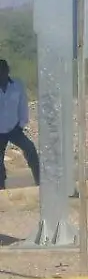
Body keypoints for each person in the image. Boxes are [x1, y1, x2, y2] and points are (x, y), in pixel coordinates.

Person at [0, 59, 39, 190]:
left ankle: (40, 183)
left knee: (30, 149)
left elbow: (23, 105)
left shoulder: (17, 85)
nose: (2, 74)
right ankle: (1, 190)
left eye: (3, 71)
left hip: (14, 128)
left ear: (7, 71)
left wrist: (21, 124)